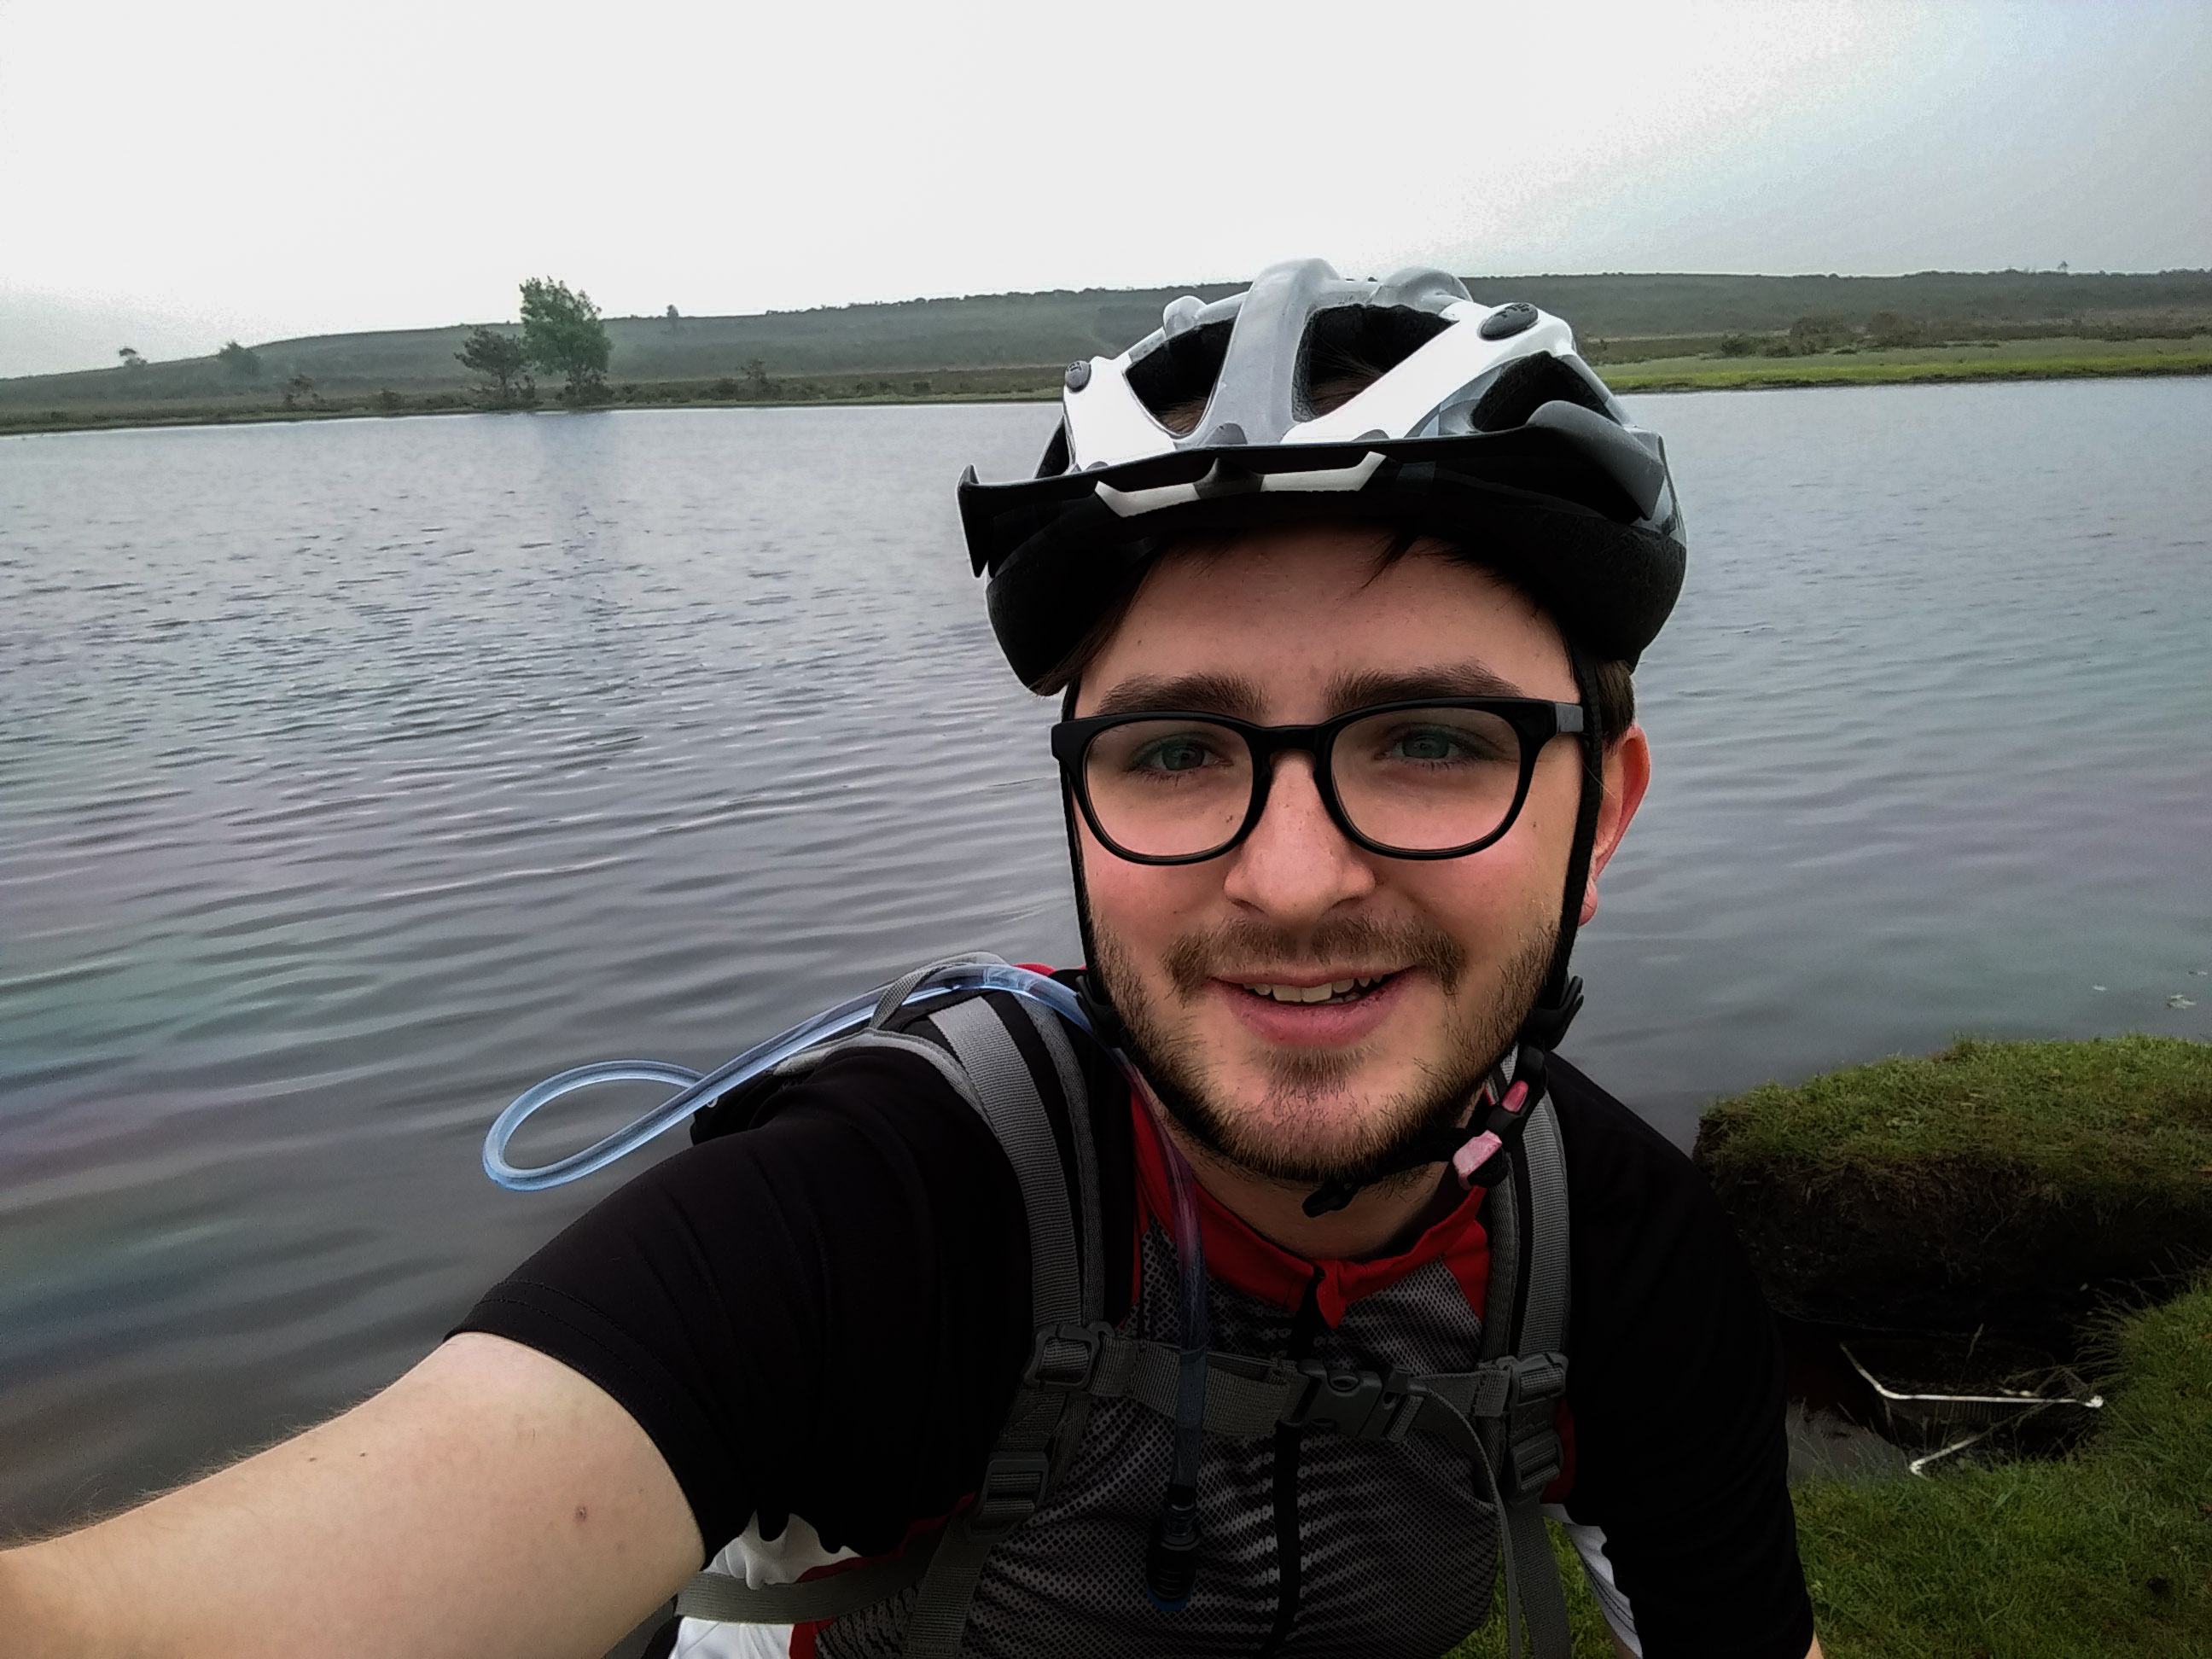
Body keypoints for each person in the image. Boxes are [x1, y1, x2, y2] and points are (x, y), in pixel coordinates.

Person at [0, 260, 1819, 1659]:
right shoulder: (898, 1210)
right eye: (1178, 749)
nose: (1288, 879)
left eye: (1429, 739)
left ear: (1608, 809)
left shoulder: (1626, 1267)